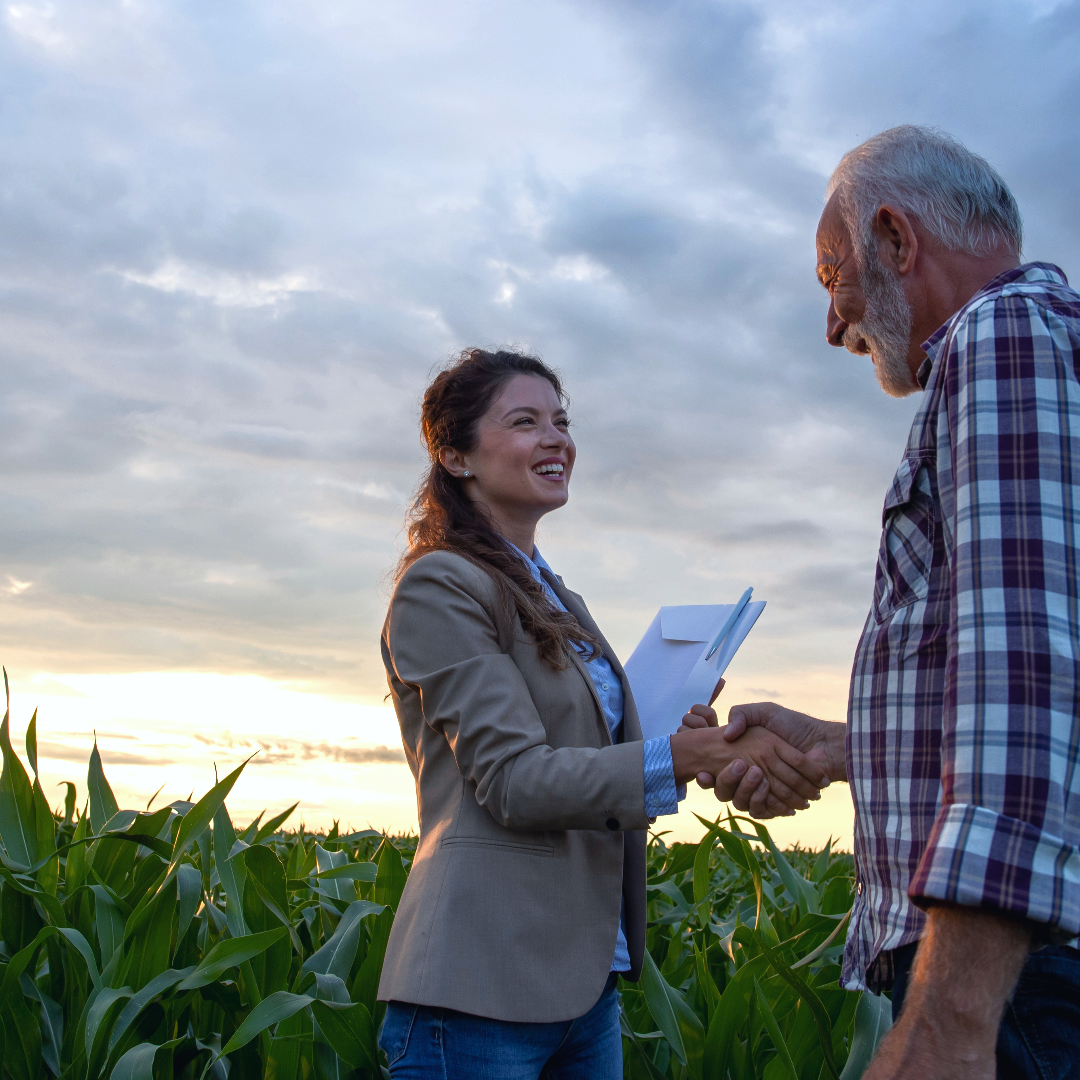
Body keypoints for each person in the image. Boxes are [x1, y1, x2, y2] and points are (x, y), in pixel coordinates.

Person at [688, 126, 1080, 1079]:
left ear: (897, 240)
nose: (833, 324)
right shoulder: (1034, 344)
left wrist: (950, 1021)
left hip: (1011, 982)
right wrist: (838, 748)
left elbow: (1024, 681)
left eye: (835, 279)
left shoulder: (1002, 336)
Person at [376, 348, 829, 1078]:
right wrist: (683, 758)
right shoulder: (442, 586)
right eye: (525, 422)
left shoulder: (558, 597)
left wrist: (673, 740)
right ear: (455, 456)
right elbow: (514, 781)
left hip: (586, 987)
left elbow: (590, 762)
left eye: (561, 421)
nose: (555, 438)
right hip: (480, 985)